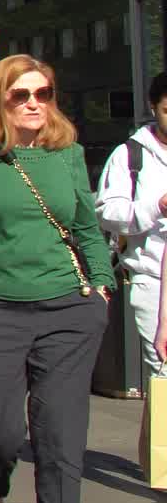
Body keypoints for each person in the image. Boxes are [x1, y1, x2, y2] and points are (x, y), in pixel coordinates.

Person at [0, 55, 115, 503]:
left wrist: (102, 285)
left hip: (69, 310)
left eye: (43, 94)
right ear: (0, 101)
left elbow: (86, 226)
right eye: (21, 95)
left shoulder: (68, 154)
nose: (34, 103)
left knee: (60, 438)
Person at [96, 70, 167, 381]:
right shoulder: (130, 155)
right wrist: (157, 206)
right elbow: (107, 212)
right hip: (152, 279)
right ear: (154, 108)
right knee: (164, 373)